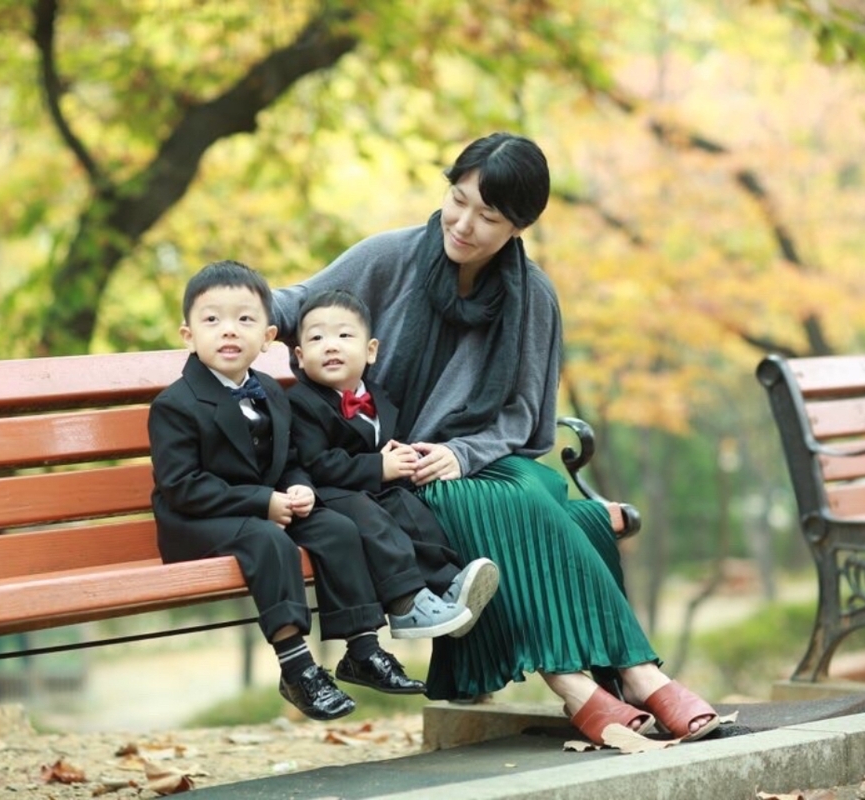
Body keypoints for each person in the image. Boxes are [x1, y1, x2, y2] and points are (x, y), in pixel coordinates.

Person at [272, 133, 721, 745]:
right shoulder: (391, 257)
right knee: (552, 514)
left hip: (487, 461)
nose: (463, 224)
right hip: (390, 473)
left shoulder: (532, 294)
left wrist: (463, 453)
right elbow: (294, 302)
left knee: (519, 496)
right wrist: (232, 308)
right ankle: (611, 681)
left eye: (489, 216)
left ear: (520, 224)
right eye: (458, 200)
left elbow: (524, 416)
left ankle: (614, 682)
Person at [148, 260, 453, 721]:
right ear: (188, 335)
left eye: (245, 320)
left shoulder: (270, 391)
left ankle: (363, 649)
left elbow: (290, 458)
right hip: (198, 520)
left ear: (269, 337)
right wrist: (262, 502)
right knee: (268, 541)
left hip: (265, 507)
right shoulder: (175, 404)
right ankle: (297, 668)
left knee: (335, 526)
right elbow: (181, 486)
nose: (229, 331)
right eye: (212, 320)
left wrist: (298, 487)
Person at [287, 288, 500, 641]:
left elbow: (383, 447)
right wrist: (378, 467)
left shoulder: (379, 397)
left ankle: (447, 583)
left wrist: (403, 460)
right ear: (300, 356)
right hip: (323, 496)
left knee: (411, 509)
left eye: (344, 335)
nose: (331, 345)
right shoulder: (300, 403)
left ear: (371, 351)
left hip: (369, 490)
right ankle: (405, 603)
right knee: (372, 519)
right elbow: (316, 462)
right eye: (316, 338)